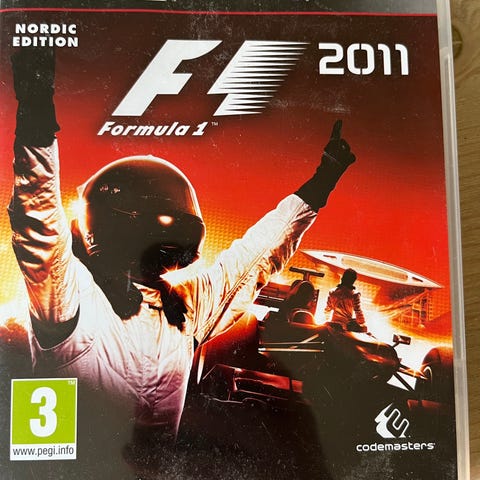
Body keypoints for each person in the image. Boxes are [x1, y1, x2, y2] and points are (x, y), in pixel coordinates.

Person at [8, 48, 356, 441]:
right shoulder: (72, 298)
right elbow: (38, 218)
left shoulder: (184, 310)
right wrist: (35, 112)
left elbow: (257, 256)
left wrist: (322, 182)